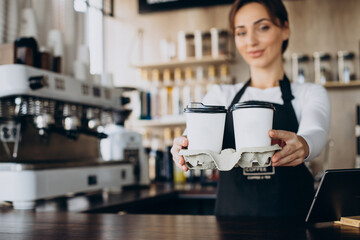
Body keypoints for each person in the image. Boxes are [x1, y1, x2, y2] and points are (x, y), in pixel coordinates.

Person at [171, 0, 330, 219]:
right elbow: (197, 130)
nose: (251, 41)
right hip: (231, 224)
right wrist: (183, 144)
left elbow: (316, 132)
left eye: (263, 27)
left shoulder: (309, 93)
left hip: (294, 222)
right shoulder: (221, 94)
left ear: (285, 29)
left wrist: (303, 144)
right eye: (241, 32)